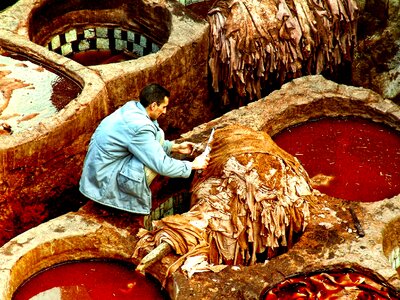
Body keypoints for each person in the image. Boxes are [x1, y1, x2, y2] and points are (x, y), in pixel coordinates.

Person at [79, 83, 209, 215]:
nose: (165, 111)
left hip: (97, 174)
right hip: (104, 183)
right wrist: (192, 165)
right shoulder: (140, 127)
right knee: (152, 163)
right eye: (163, 107)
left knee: (155, 143)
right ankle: (122, 202)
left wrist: (174, 147)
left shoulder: (132, 108)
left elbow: (143, 144)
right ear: (153, 105)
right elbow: (161, 165)